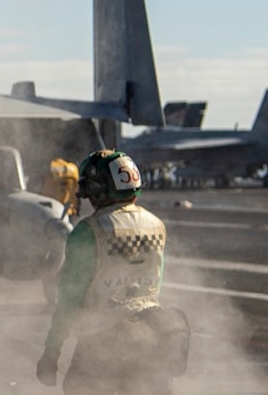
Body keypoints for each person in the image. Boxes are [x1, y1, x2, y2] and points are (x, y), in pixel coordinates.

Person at [37, 150, 186, 394]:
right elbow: (154, 284)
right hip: (151, 337)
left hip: (101, 343)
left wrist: (51, 352)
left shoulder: (89, 231)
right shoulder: (156, 225)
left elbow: (69, 299)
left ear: (96, 191)